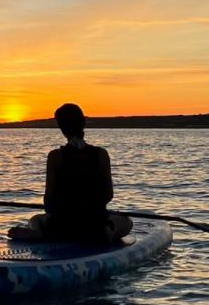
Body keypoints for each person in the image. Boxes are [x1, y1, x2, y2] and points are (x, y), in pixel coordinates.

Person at [8, 103, 132, 244]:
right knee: (126, 221)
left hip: (62, 224)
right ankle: (105, 231)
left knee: (35, 219)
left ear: (61, 128)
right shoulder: (101, 154)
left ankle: (42, 234)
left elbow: (49, 201)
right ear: (83, 122)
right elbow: (108, 195)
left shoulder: (55, 156)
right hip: (93, 222)